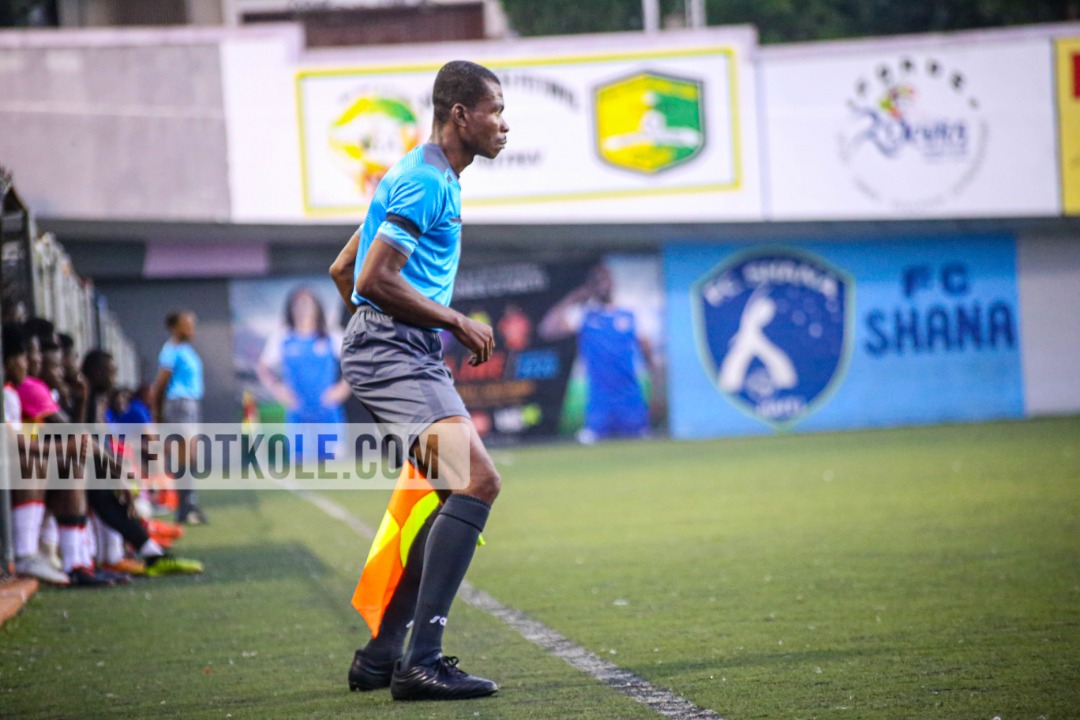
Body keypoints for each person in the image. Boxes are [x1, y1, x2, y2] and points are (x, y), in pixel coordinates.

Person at [328, 60, 508, 702]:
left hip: (395, 347)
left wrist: (382, 327)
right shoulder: (428, 180)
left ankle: (382, 657)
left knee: (445, 493)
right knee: (477, 481)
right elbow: (371, 277)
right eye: (495, 109)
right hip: (394, 350)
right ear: (461, 114)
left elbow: (343, 266)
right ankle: (422, 661)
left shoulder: (423, 174)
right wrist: (450, 319)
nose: (503, 125)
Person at [539, 262, 661, 443]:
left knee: (639, 445)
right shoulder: (584, 316)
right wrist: (573, 298)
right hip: (599, 403)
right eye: (596, 281)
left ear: (613, 283)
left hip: (630, 400)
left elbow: (649, 356)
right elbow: (546, 330)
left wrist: (657, 393)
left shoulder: (630, 315)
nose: (602, 285)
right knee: (592, 444)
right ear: (590, 286)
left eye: (605, 279)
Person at [255, 287, 350, 461]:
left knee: (334, 463)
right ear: (291, 309)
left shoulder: (331, 335)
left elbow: (356, 364)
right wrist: (277, 389)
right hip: (298, 410)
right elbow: (263, 368)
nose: (303, 310)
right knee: (300, 462)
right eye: (298, 306)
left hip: (327, 411)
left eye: (307, 305)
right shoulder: (282, 337)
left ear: (316, 307)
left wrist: (343, 389)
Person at [149, 310, 208, 525]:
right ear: (175, 327)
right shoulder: (171, 350)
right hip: (179, 404)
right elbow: (161, 383)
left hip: (189, 404)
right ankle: (184, 506)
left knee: (190, 454)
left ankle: (187, 504)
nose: (191, 328)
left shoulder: (185, 349)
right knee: (185, 453)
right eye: (187, 324)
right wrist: (157, 414)